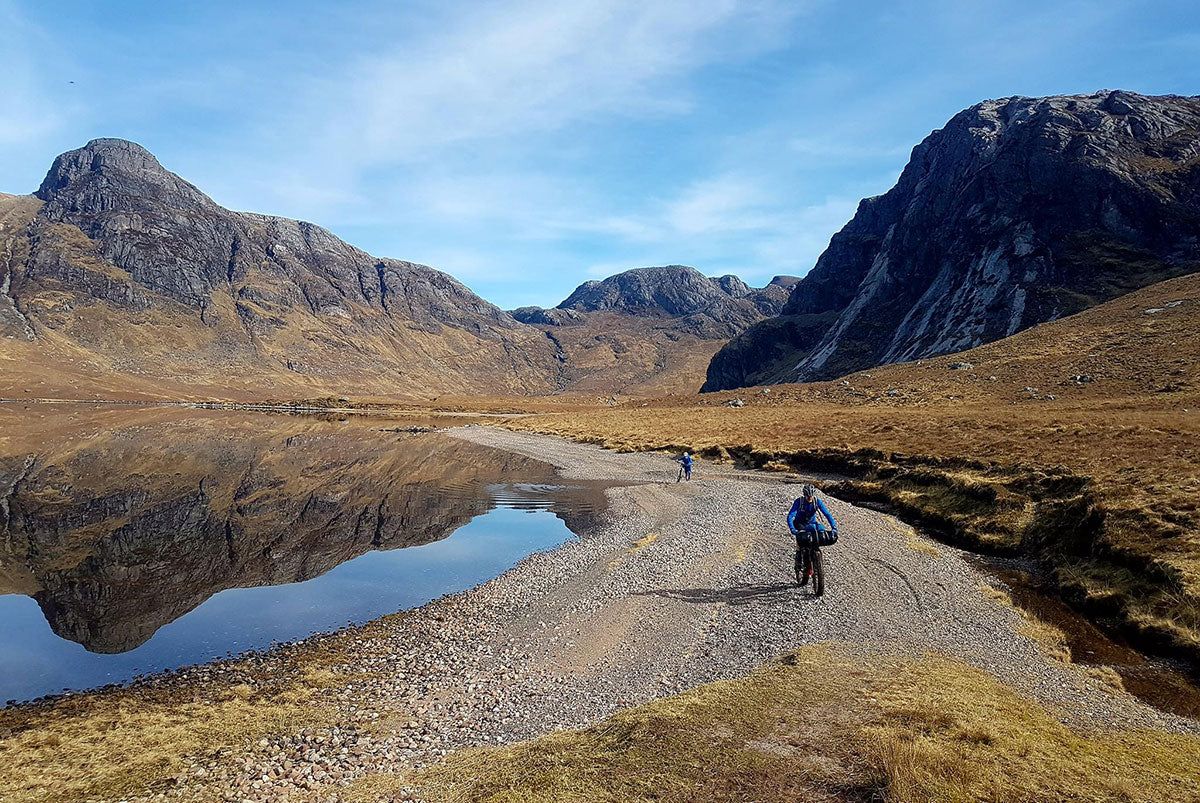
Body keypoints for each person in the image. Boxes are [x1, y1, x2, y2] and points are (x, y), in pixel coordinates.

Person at [787, 483, 837, 586]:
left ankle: (817, 562)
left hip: (812, 524)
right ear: (804, 495)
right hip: (800, 524)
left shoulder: (817, 501)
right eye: (807, 497)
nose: (809, 499)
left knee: (817, 537)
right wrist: (792, 529)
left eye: (811, 497)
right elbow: (791, 515)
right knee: (802, 544)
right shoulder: (799, 502)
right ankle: (799, 561)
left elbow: (827, 514)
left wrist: (834, 527)